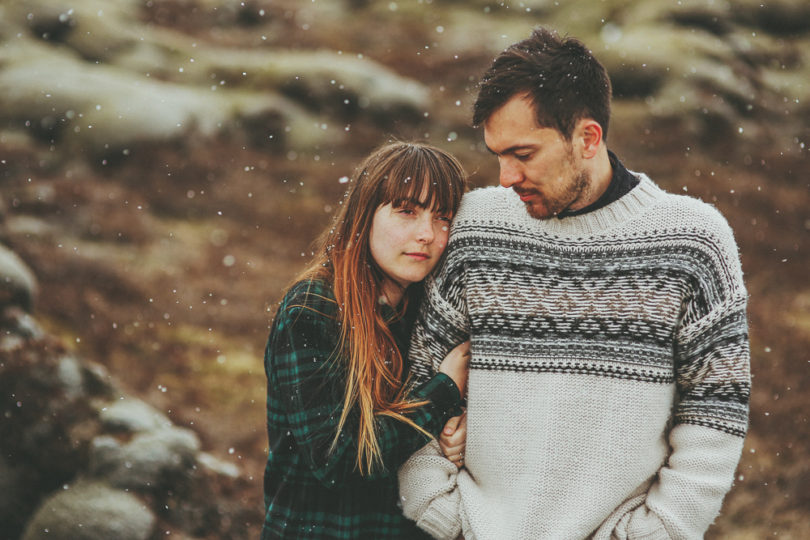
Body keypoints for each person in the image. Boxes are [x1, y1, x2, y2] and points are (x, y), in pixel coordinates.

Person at [398, 27, 750, 540]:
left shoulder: (694, 243)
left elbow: (715, 410)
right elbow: (418, 371)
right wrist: (436, 505)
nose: (505, 177)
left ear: (588, 138)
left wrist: (659, 531)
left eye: (523, 154)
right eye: (497, 154)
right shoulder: (475, 226)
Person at [261, 141, 471, 539]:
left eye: (443, 218)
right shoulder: (313, 310)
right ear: (364, 215)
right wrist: (441, 395)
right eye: (406, 211)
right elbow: (338, 461)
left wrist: (455, 436)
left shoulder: (435, 313)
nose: (427, 233)